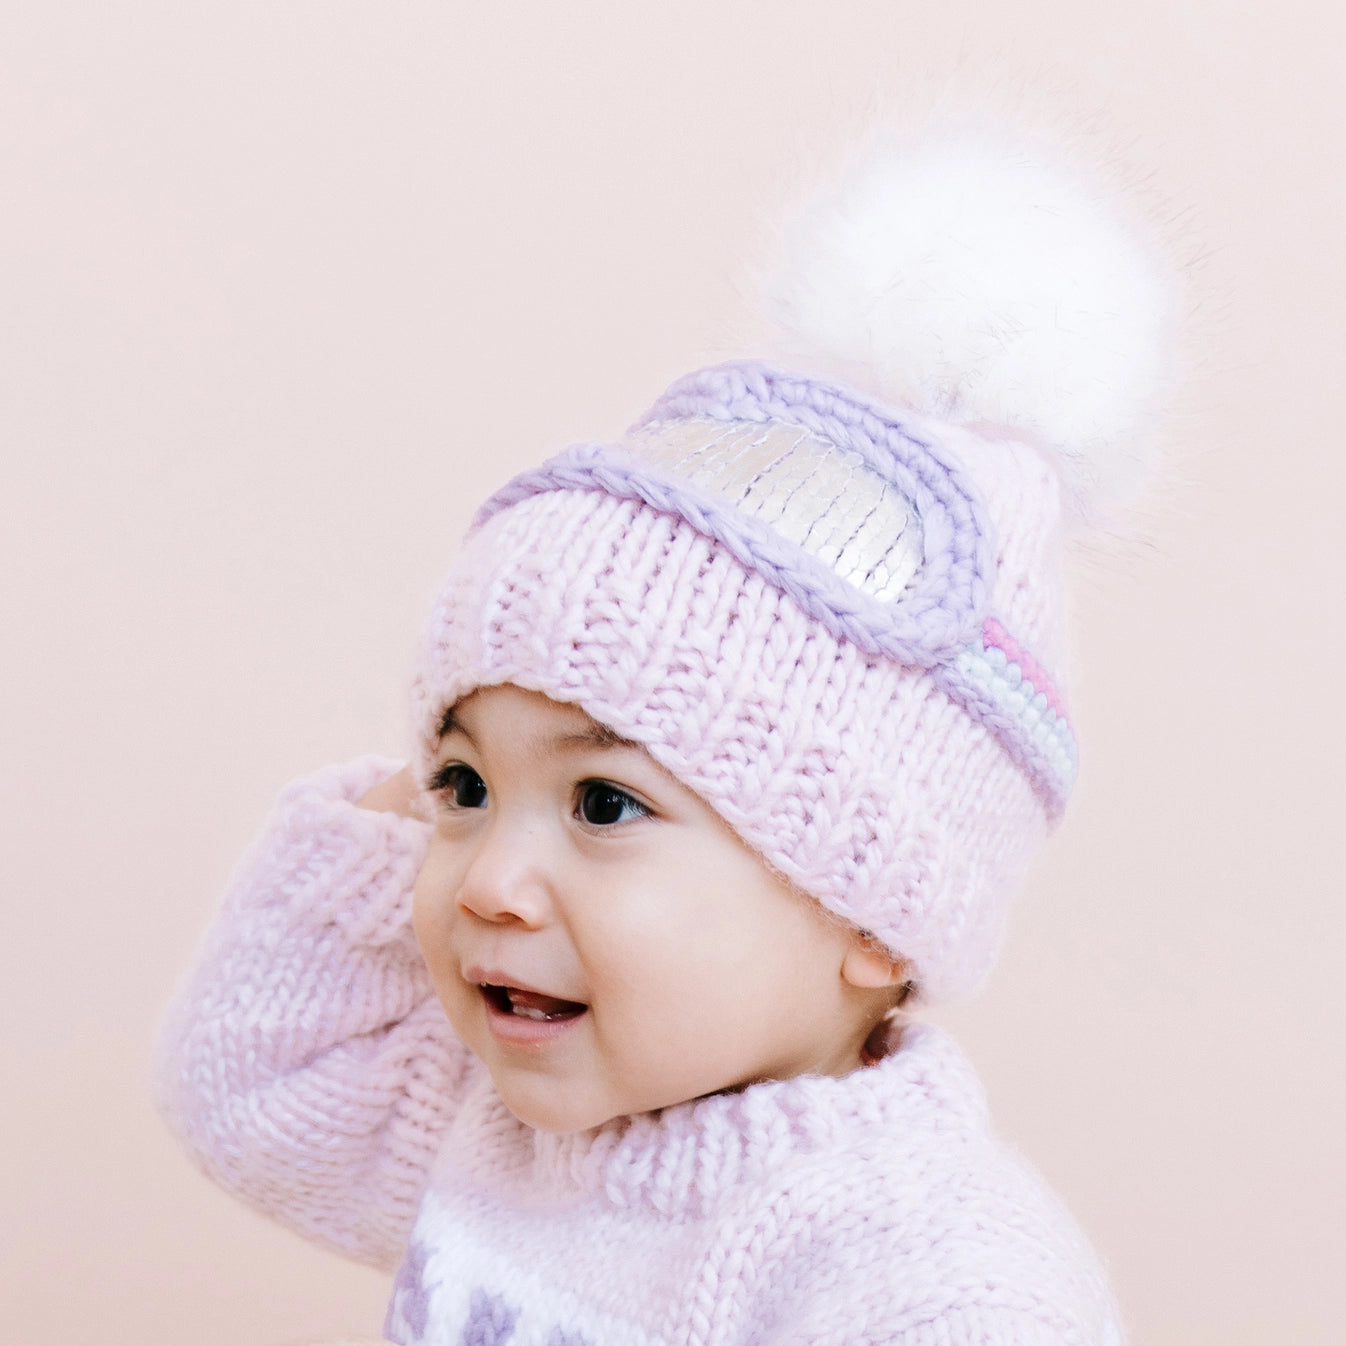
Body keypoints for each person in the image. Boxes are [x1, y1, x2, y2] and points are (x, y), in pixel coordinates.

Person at [156, 117, 1174, 1345]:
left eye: (602, 803)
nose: (485, 880)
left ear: (870, 916)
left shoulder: (929, 1272)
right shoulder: (509, 1130)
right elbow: (257, 1087)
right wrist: (389, 831)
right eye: (463, 785)